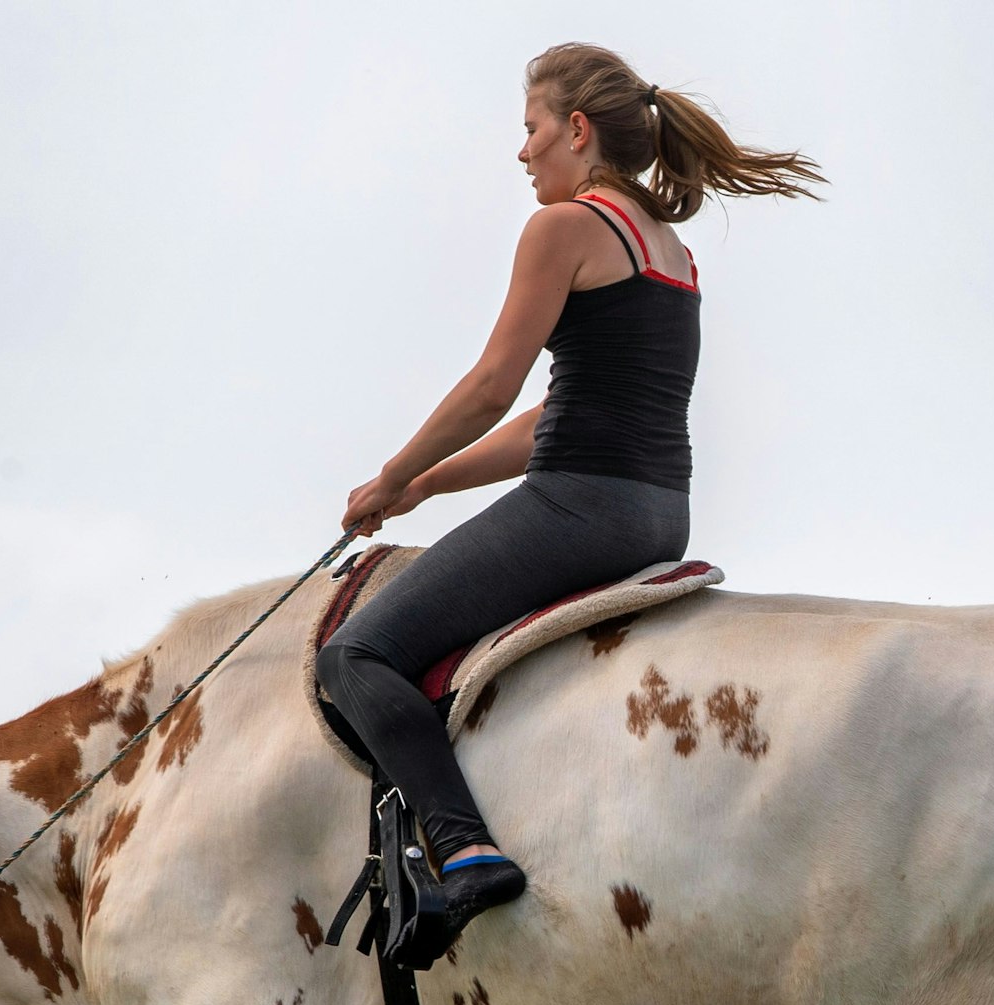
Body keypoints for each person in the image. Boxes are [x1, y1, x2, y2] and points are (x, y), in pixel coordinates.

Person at [316, 43, 824, 957]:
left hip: (579, 509)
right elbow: (557, 411)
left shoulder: (564, 228)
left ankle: (462, 848)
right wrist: (427, 485)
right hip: (658, 512)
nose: (522, 153)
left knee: (356, 656)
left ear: (576, 130)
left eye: (531, 129)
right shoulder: (668, 249)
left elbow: (492, 388)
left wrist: (389, 474)